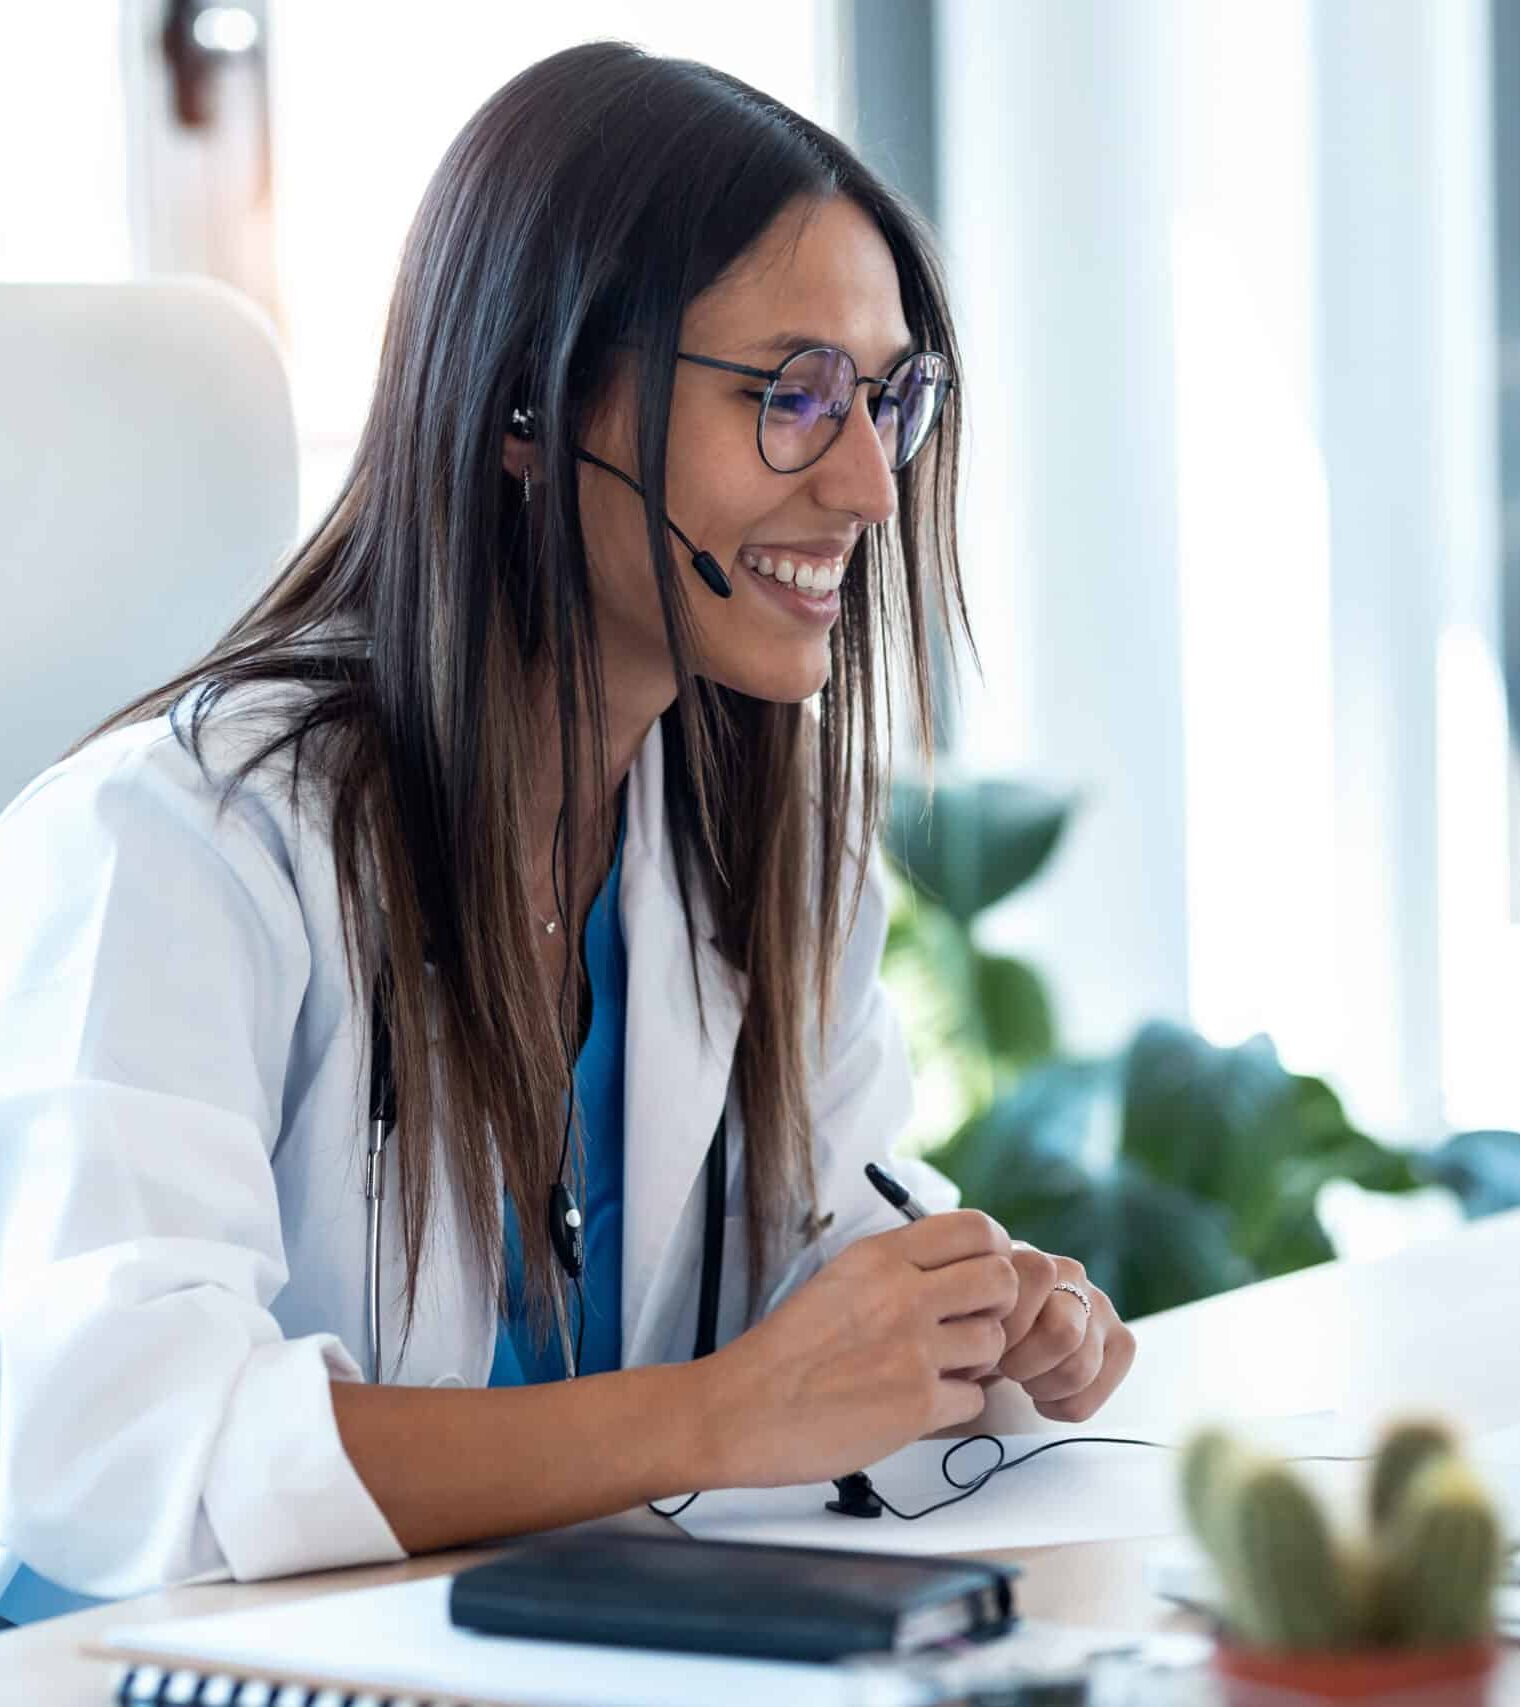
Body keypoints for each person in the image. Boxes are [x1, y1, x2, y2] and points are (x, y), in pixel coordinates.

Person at [0, 41, 1135, 1622]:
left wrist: (962, 1316)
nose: (873, 483)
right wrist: (731, 1412)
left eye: (892, 399)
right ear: (530, 410)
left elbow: (819, 1233)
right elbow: (126, 1450)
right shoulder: (177, 845)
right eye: (794, 395)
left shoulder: (762, 838)